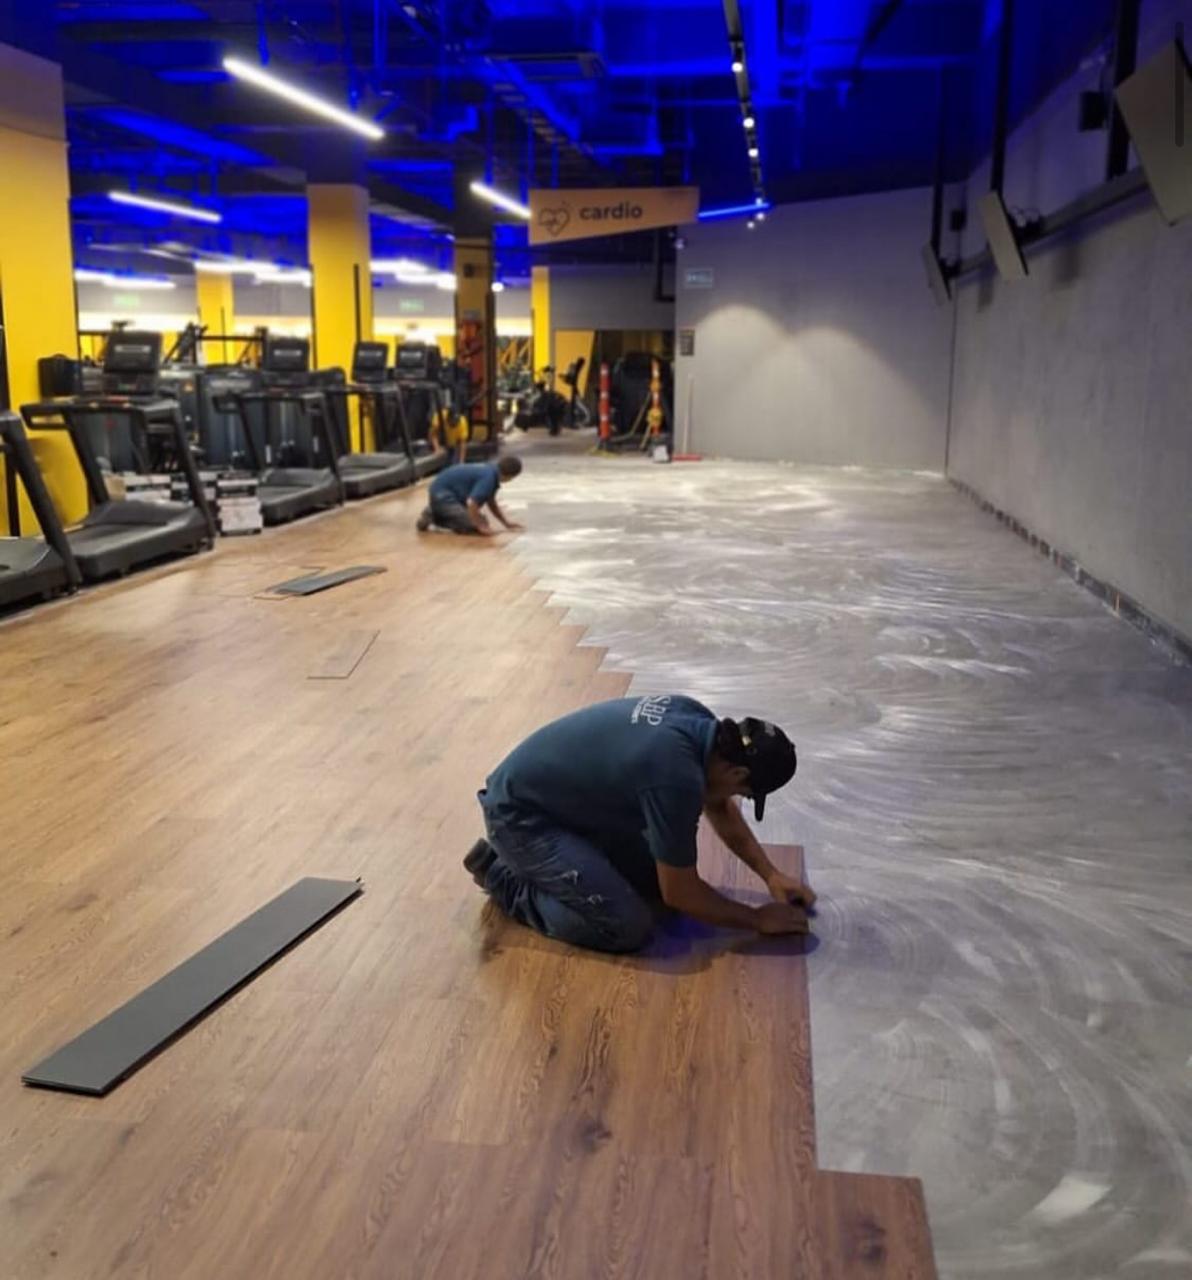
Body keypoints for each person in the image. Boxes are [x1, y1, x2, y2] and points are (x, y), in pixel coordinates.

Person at [465, 694, 814, 953]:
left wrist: (770, 875)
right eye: (747, 792)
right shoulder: (676, 777)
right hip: (520, 818)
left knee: (651, 883)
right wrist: (756, 919)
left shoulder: (699, 724)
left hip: (559, 804)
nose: (738, 798)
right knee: (627, 926)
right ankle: (504, 878)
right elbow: (682, 894)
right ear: (737, 772)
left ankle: (559, 862)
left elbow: (718, 806)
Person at [416, 455, 523, 536]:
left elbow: (491, 503)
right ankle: (433, 516)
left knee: (481, 520)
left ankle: (437, 510)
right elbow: (472, 502)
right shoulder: (489, 478)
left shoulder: (492, 470)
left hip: (445, 494)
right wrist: (480, 526)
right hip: (444, 496)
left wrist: (506, 523)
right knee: (472, 526)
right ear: (510, 476)